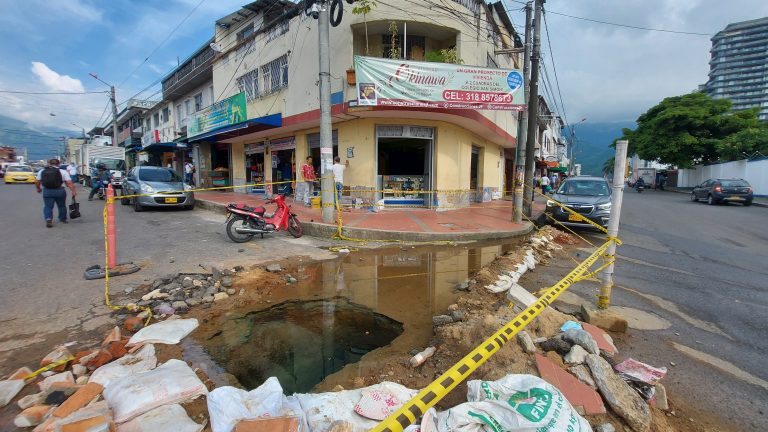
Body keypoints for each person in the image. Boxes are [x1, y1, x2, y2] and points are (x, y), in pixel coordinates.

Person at [35, 159, 76, 228]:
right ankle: (62, 219)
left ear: (49, 164)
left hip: (47, 191)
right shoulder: (63, 172)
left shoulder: (42, 171)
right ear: (58, 164)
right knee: (61, 206)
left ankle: (48, 219)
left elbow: (37, 181)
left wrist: (38, 188)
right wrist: (73, 191)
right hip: (60, 190)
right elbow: (69, 183)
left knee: (48, 206)